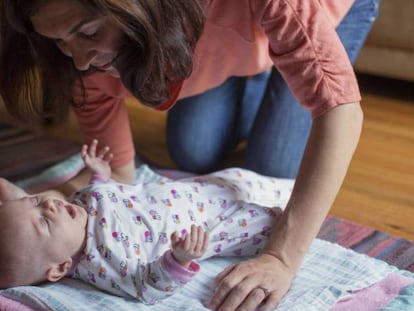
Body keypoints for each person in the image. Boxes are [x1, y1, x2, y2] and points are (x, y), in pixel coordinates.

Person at [0, 0, 380, 309]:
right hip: (217, 26)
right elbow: (117, 174)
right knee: (192, 149)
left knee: (275, 165)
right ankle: (266, 57)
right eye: (61, 42)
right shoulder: (90, 67)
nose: (80, 60)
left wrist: (280, 258)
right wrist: (28, 207)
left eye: (88, 33)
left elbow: (339, 112)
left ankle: (284, 57)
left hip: (325, 11)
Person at [0, 140, 292, 306]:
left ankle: (288, 188)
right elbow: (146, 286)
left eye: (37, 201)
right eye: (44, 222)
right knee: (275, 220)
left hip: (199, 190)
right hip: (214, 223)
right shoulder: (104, 262)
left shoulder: (74, 210)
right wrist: (178, 260)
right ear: (61, 267)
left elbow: (107, 198)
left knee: (249, 179)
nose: (50, 204)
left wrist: (100, 177)